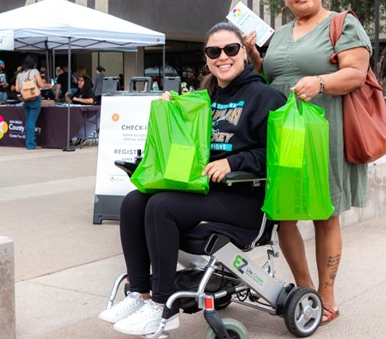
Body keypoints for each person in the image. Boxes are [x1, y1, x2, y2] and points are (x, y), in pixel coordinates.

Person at [99, 22, 286, 336]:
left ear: (244, 53)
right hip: (203, 193)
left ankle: (163, 306)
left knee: (160, 206)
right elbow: (185, 147)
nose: (222, 56)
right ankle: (141, 294)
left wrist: (233, 161)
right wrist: (172, 112)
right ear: (207, 58)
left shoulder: (266, 97)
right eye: (214, 51)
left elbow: (275, 157)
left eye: (231, 49)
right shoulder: (201, 99)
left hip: (244, 200)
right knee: (134, 201)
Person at [246, 0, 372, 325]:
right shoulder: (281, 34)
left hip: (325, 130)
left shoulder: (342, 24)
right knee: (284, 214)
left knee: (324, 213)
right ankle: (306, 291)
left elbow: (356, 73)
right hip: (284, 134)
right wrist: (256, 60)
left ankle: (327, 294)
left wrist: (319, 82)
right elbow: (271, 79)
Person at [16, 54, 52, 150]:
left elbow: (17, 89)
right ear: (34, 63)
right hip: (35, 98)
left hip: (25, 99)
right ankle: (31, 144)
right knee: (32, 121)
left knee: (28, 121)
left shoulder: (19, 74)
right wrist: (49, 85)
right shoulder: (35, 71)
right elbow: (41, 84)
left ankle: (28, 143)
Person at [67, 75, 97, 145]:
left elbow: (91, 101)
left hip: (86, 115)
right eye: (78, 80)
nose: (79, 82)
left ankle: (80, 136)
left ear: (86, 82)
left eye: (81, 81)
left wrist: (78, 99)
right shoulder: (78, 92)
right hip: (75, 113)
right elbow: (71, 100)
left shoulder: (88, 91)